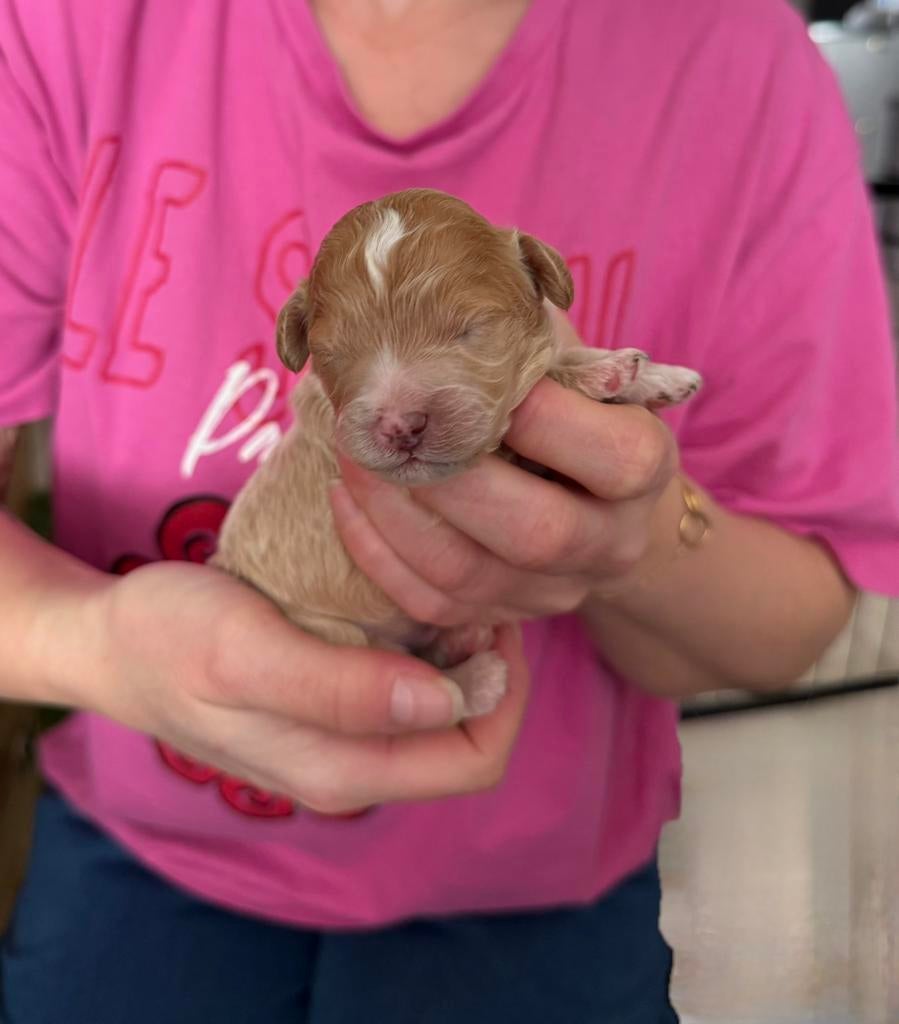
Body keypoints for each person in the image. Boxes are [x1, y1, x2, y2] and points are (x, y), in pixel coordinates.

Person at [1, 0, 897, 1020]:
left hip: (536, 899)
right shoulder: (64, 23)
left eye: (466, 328)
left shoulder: (733, 53)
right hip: (138, 862)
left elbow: (795, 616)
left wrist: (630, 537)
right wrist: (100, 646)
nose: (400, 416)